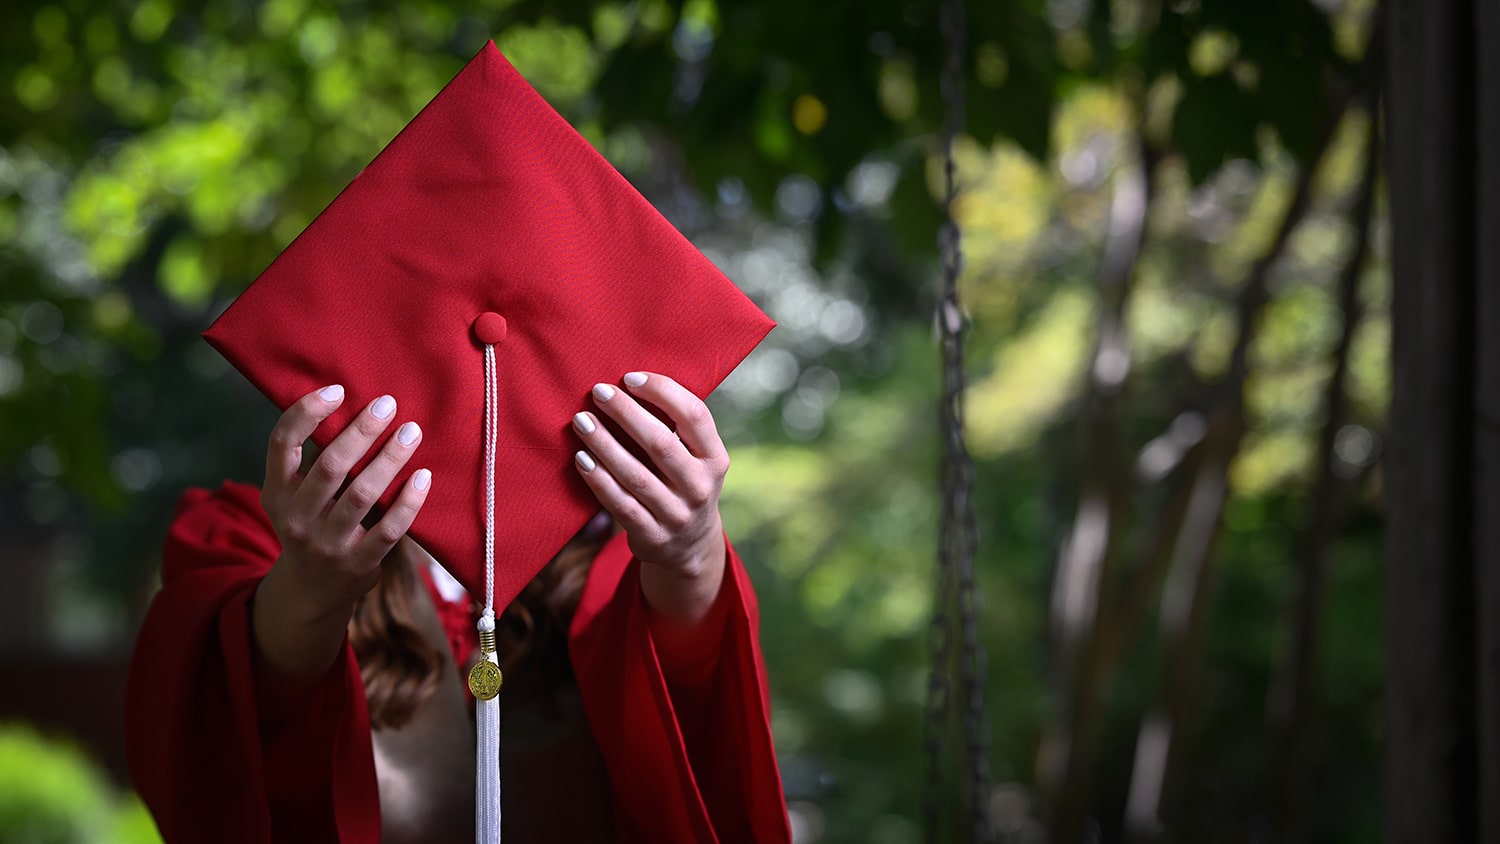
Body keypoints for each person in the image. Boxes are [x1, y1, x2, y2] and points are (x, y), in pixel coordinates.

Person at [126, 372, 790, 843]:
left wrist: (692, 552)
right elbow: (223, 732)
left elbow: (700, 698)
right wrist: (309, 589)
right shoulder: (262, 534)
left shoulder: (622, 556)